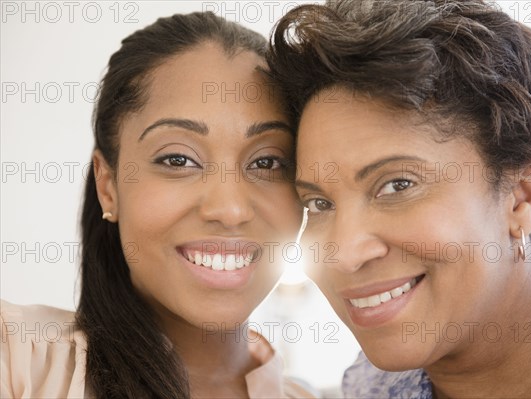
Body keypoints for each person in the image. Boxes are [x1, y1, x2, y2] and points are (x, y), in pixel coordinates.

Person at [266, 0, 531, 397]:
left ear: (521, 199)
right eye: (319, 204)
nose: (344, 255)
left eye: (398, 185)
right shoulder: (369, 389)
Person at [1, 11, 315, 398]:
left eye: (266, 162)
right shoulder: (16, 357)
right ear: (108, 186)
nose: (230, 209)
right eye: (178, 159)